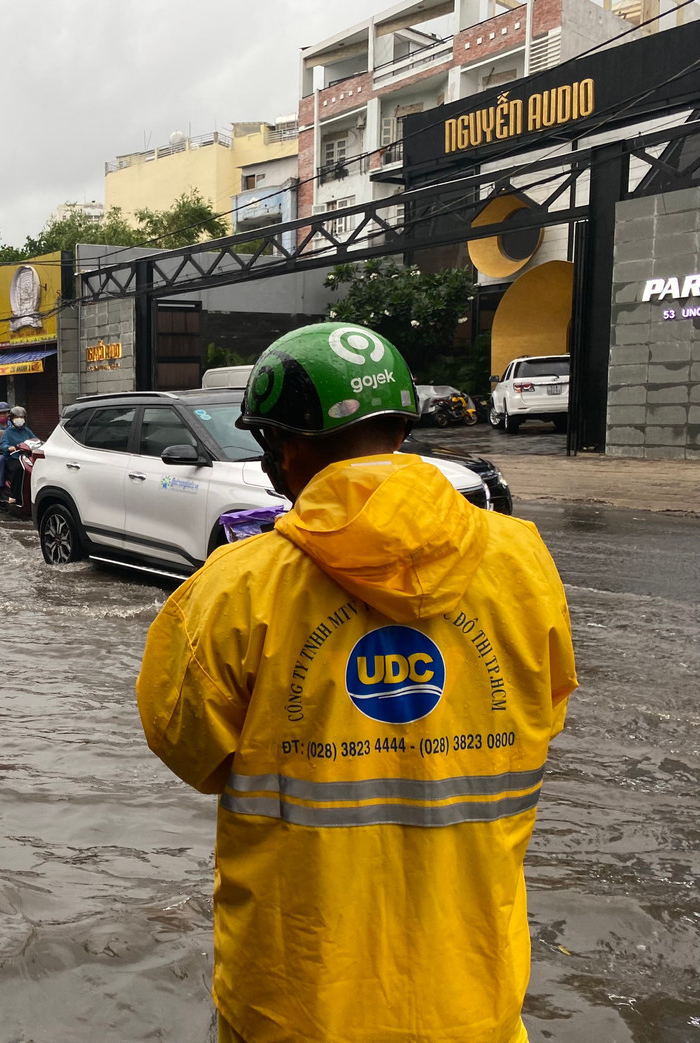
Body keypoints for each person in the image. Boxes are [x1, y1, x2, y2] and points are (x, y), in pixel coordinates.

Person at [135, 322, 576, 1043]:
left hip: (295, 1007)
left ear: (292, 448)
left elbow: (187, 746)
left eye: (270, 446)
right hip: (474, 1006)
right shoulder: (525, 564)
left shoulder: (235, 589)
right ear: (400, 428)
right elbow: (542, 717)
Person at [0, 406, 35, 503]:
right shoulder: (7, 432)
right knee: (20, 470)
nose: (20, 419)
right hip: (13, 459)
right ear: (11, 419)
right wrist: (9, 448)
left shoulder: (27, 431)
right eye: (17, 417)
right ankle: (15, 496)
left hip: (27, 458)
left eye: (22, 417)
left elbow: (34, 440)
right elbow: (3, 445)